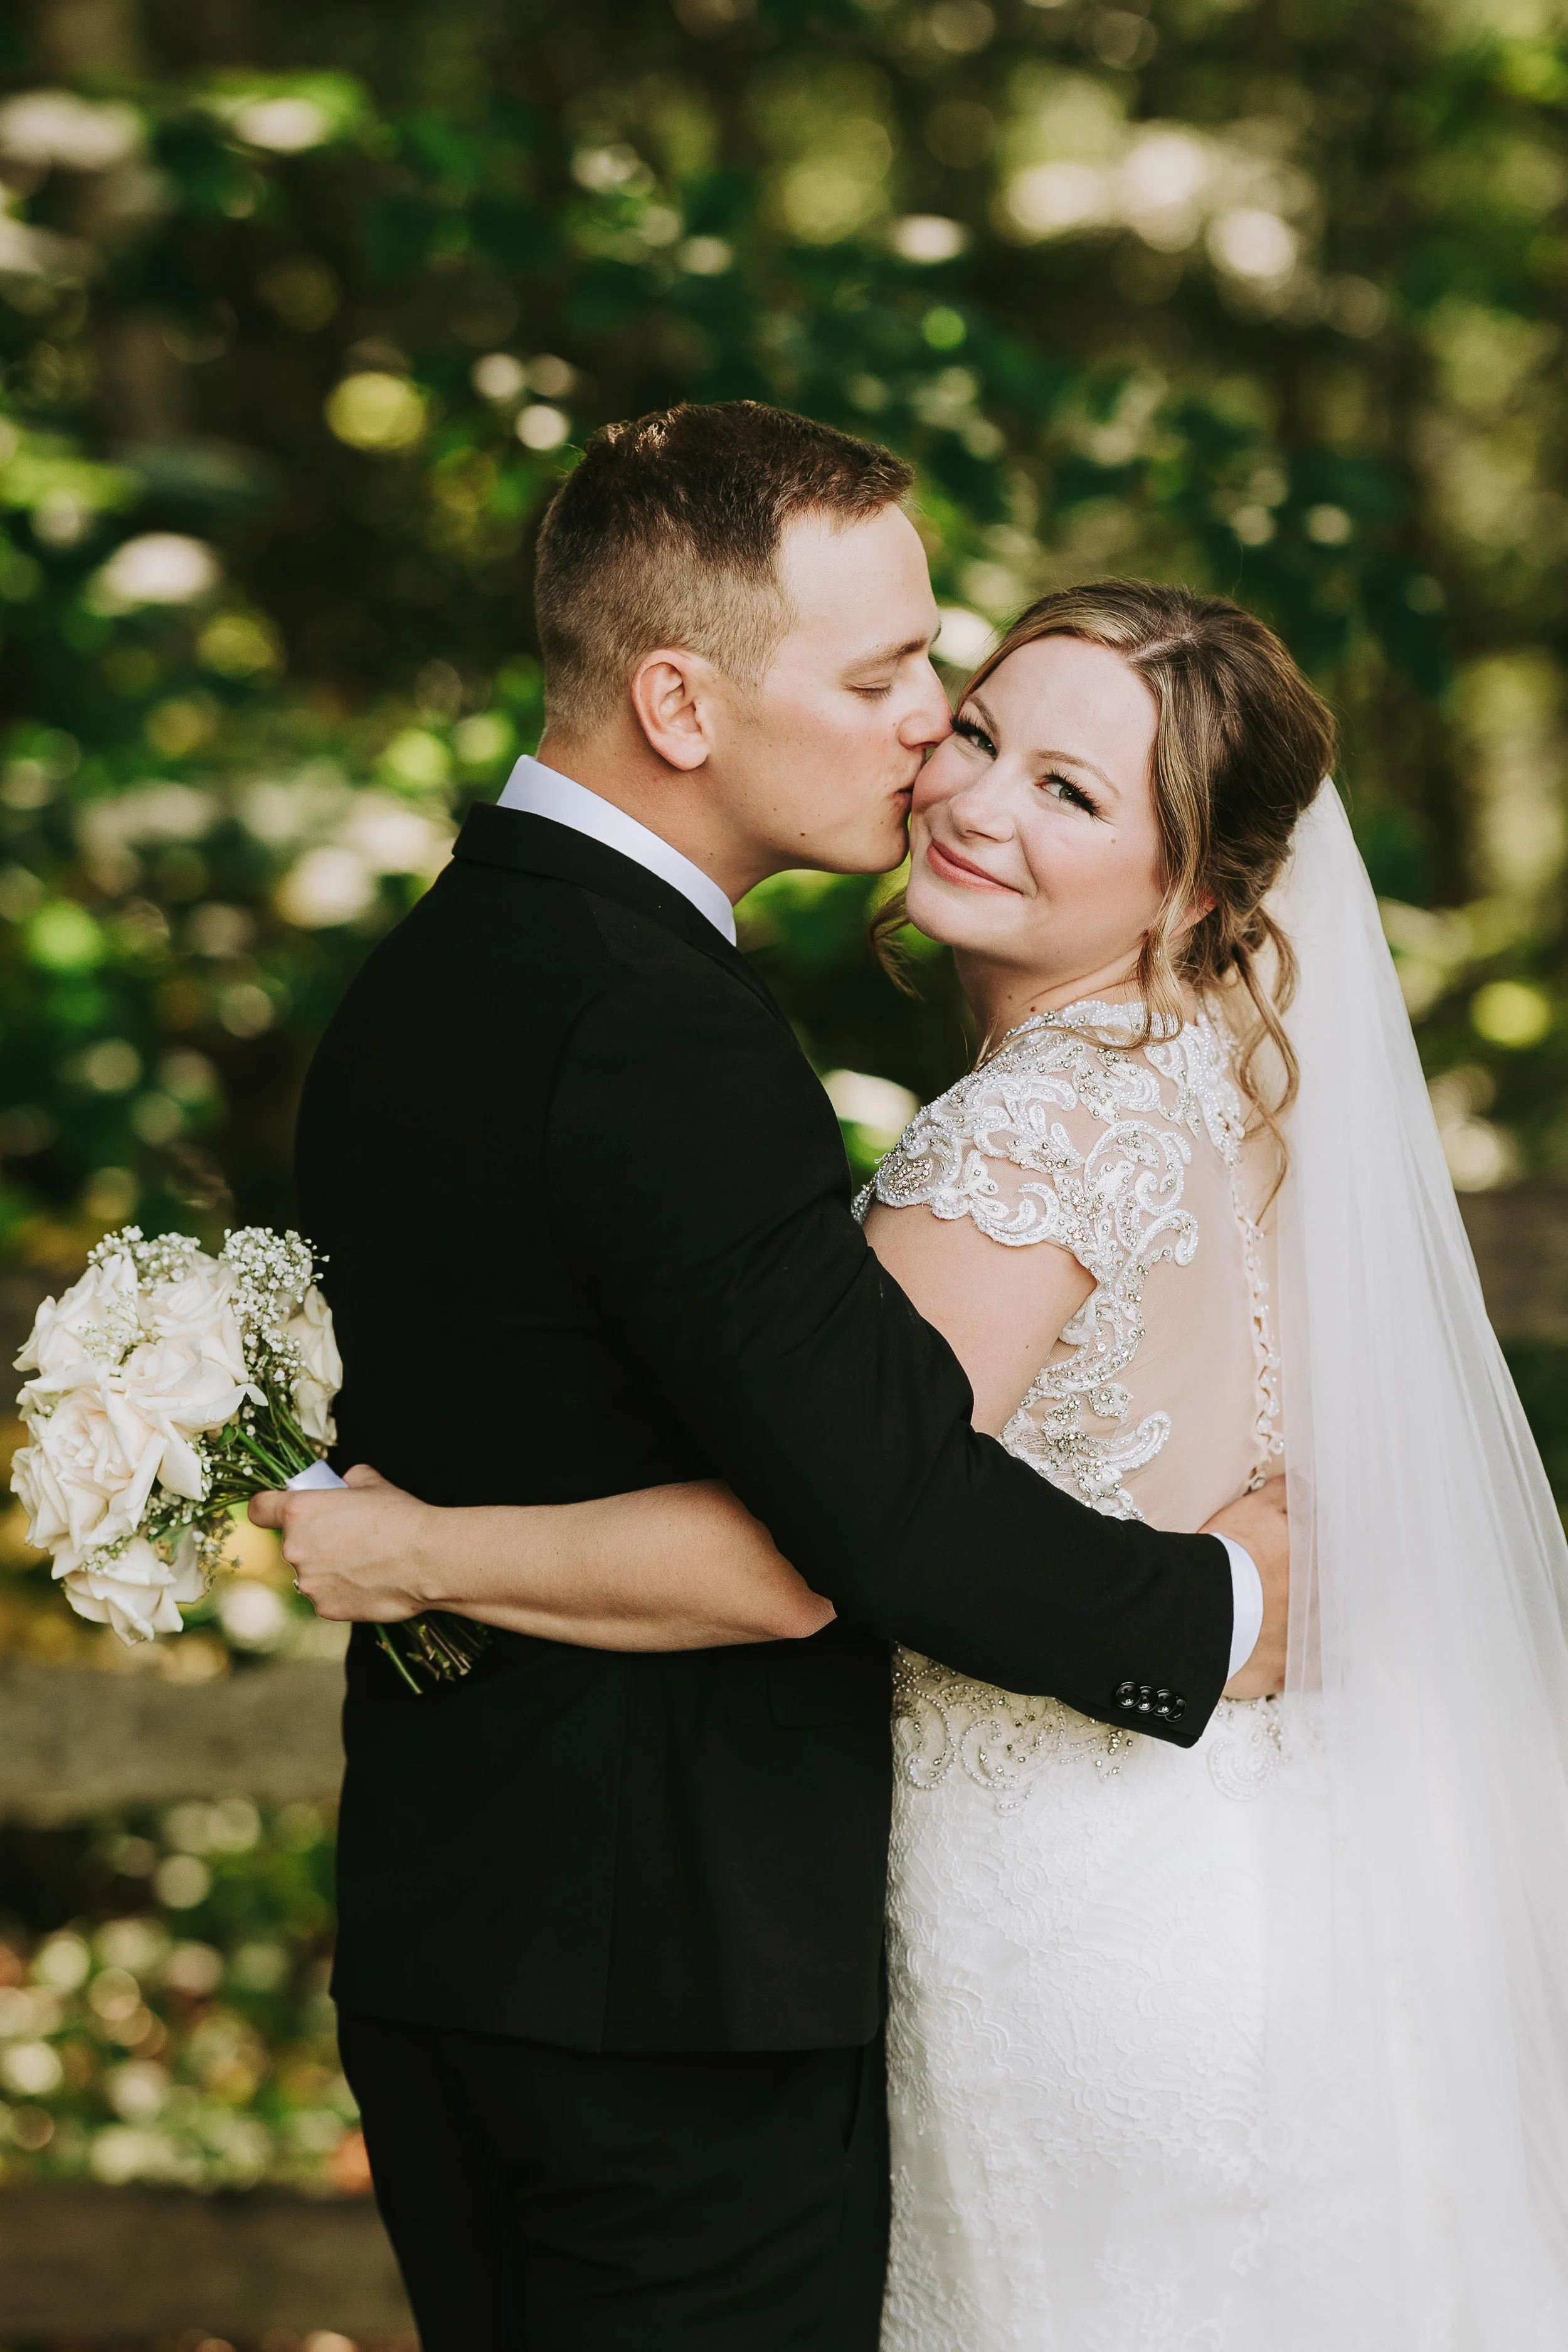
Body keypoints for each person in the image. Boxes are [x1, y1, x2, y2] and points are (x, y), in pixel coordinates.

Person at [272, 575, 1568, 2348]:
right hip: (1250, 1877)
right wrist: (1237, 1595)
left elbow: (803, 1541)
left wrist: (412, 1547)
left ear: (1189, 886)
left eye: (1069, 792)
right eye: (975, 732)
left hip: (1061, 1923)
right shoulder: (1223, 1083)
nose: (969, 797)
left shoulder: (1034, 1127)